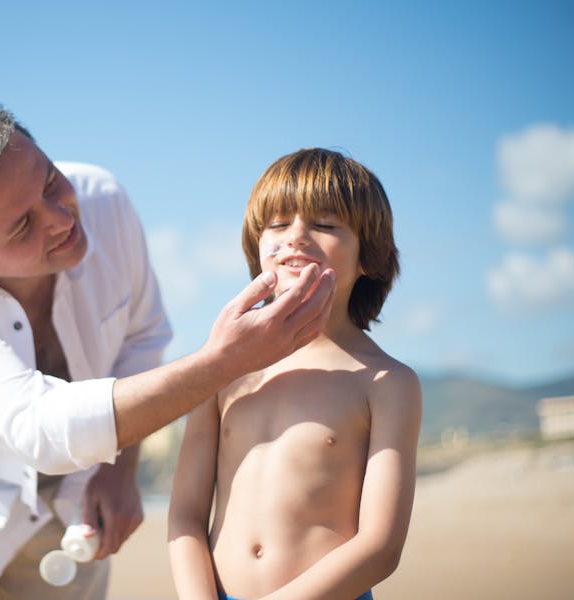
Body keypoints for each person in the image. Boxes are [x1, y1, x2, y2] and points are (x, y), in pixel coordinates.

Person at [0, 102, 335, 600]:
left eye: (50, 182)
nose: (62, 217)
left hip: (75, 507)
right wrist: (225, 361)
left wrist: (118, 467)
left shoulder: (104, 200)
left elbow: (142, 336)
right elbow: (36, 427)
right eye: (22, 226)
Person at [168, 148, 422, 600]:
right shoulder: (223, 368)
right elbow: (186, 515)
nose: (296, 237)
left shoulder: (385, 382)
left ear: (369, 256)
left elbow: (380, 546)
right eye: (278, 224)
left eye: (324, 225)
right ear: (256, 243)